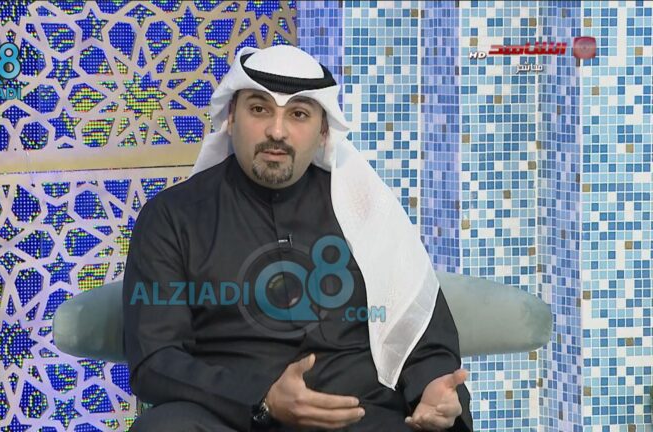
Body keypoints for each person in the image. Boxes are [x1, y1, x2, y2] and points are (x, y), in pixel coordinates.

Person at [123, 44, 473, 432]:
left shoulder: (365, 209)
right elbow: (157, 359)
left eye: (298, 114)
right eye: (260, 109)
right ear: (231, 118)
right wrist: (261, 398)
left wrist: (435, 391)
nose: (277, 131)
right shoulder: (172, 217)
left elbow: (423, 333)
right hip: (234, 418)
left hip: (363, 416)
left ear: (323, 131)